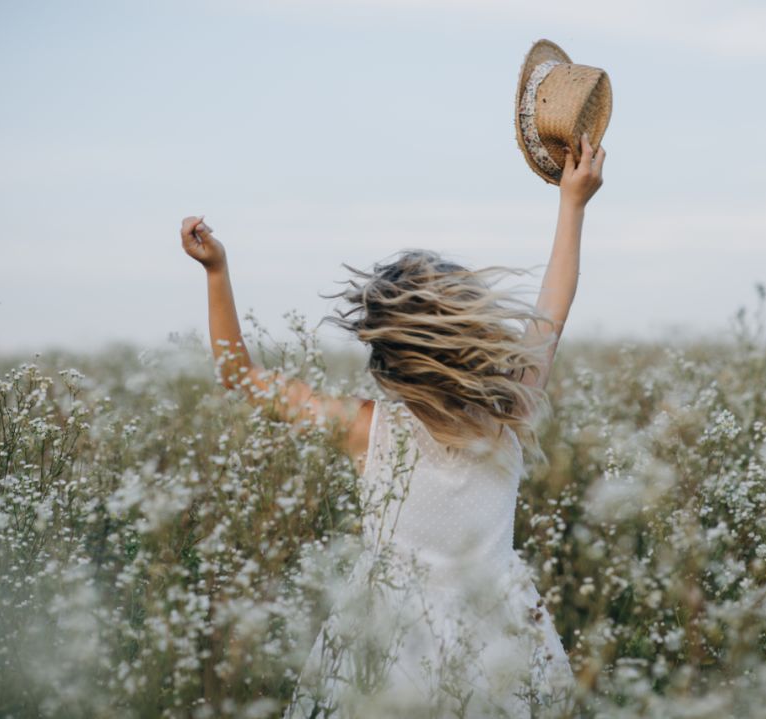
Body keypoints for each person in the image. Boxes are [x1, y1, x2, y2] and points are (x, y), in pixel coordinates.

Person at [180, 132, 605, 718]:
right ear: (471, 336)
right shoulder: (511, 412)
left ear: (388, 361)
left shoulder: (366, 429)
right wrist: (572, 204)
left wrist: (216, 271)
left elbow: (241, 379)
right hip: (498, 643)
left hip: (384, 644)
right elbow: (555, 301)